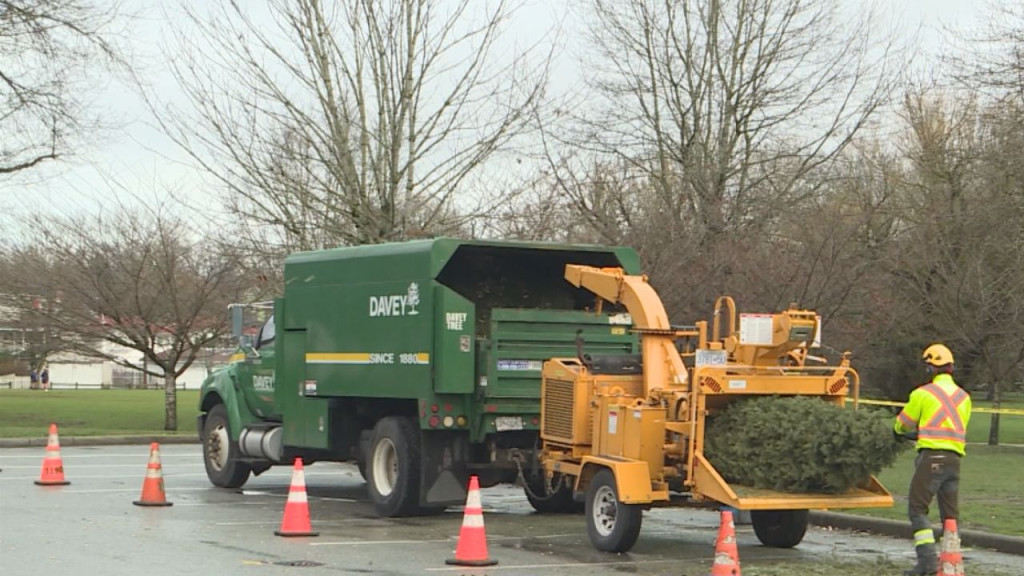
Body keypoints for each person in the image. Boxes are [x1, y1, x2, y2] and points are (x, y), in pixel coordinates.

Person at [893, 343, 972, 576]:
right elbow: (952, 427)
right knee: (950, 515)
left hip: (931, 459)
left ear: (930, 369)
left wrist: (901, 430)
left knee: (917, 509)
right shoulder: (964, 397)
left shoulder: (922, 394)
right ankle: (951, 563)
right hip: (955, 460)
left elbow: (903, 424)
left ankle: (927, 562)